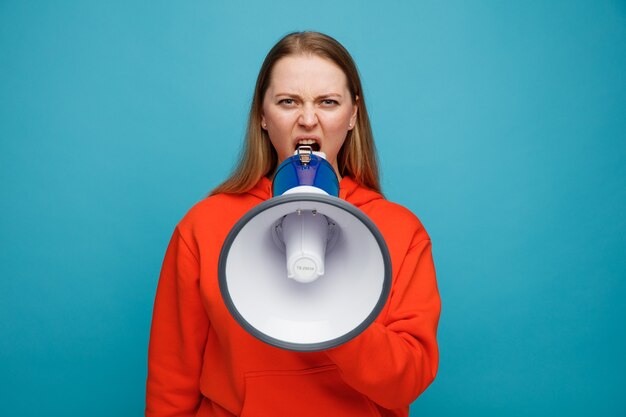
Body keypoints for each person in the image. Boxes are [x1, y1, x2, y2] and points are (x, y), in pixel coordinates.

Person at [146, 31, 441, 417]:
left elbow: (409, 379)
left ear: (353, 114)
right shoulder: (204, 225)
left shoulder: (400, 231)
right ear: (263, 116)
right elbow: (172, 382)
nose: (307, 120)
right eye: (288, 102)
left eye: (328, 102)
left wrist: (334, 314)